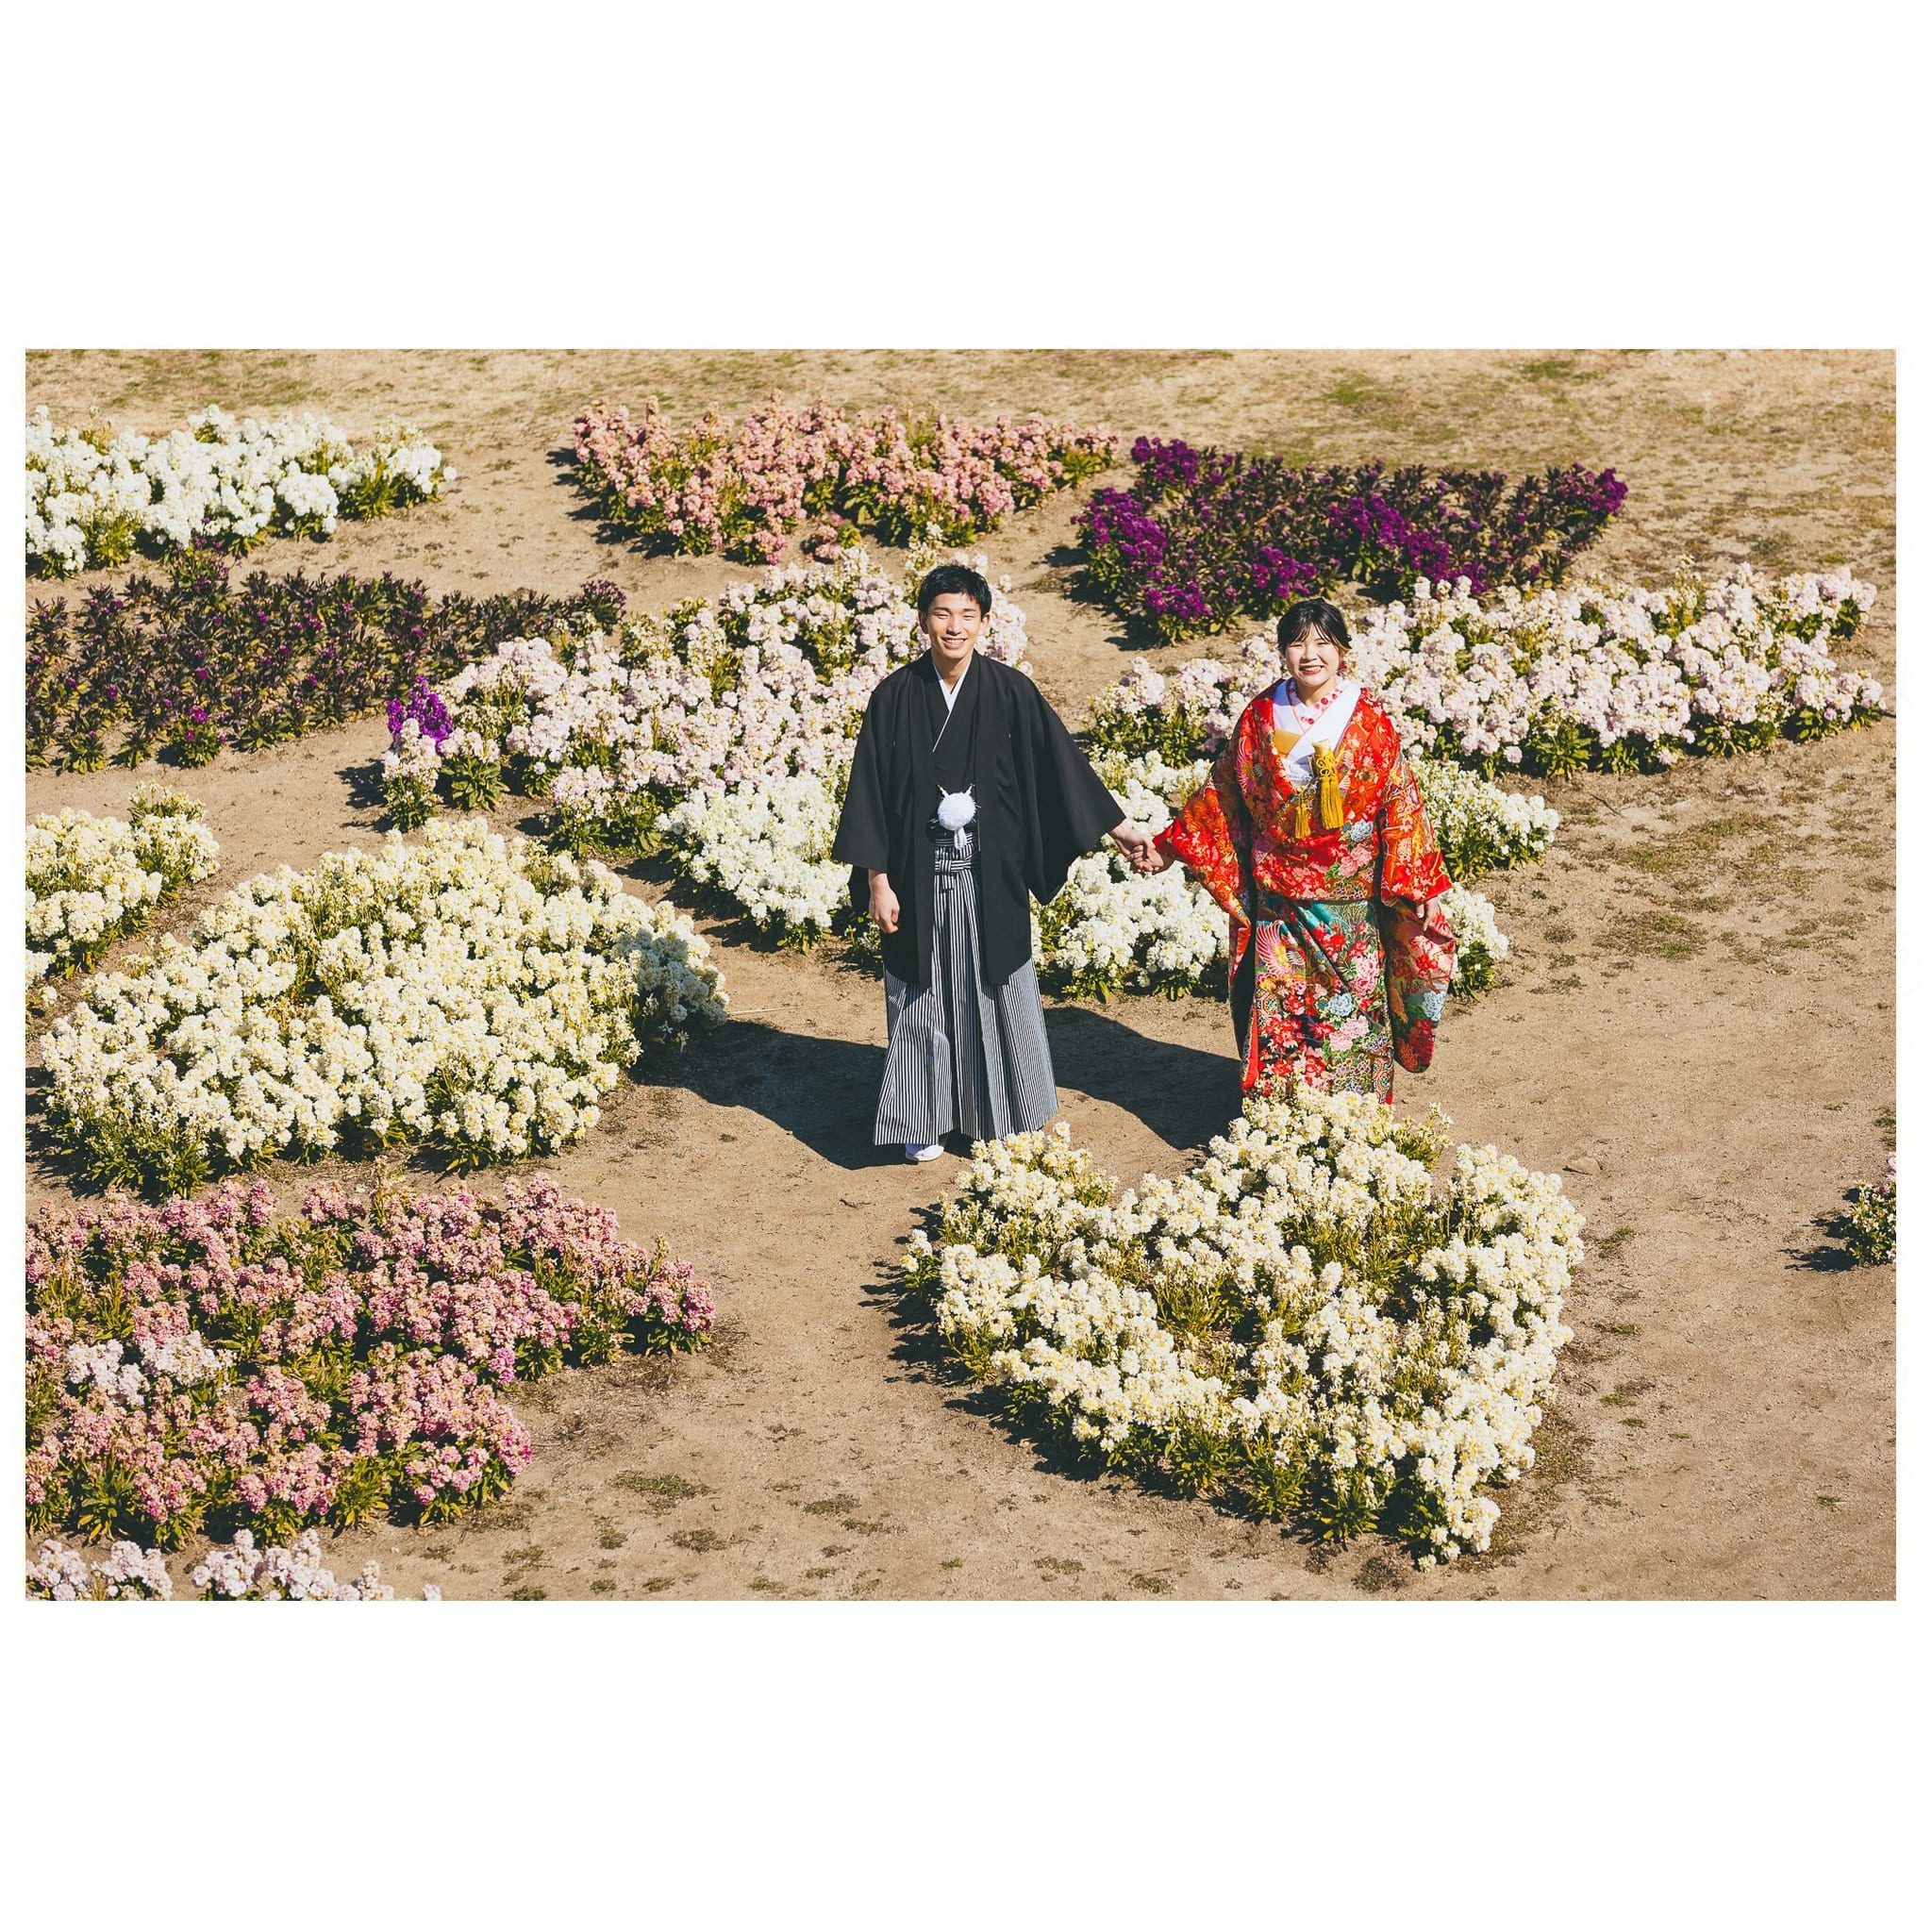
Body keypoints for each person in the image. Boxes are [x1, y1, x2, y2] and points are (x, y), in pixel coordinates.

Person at [833, 564, 1158, 1161]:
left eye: (967, 614)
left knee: (996, 990)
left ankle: (1001, 1113)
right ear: (923, 620)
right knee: (921, 994)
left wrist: (1119, 830)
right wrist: (878, 880)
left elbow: (1062, 767)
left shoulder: (1010, 692)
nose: (954, 626)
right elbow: (870, 794)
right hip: (916, 875)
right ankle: (922, 1119)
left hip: (992, 877)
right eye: (942, 613)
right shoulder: (893, 697)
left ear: (984, 622)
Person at [1141, 596, 1455, 1101]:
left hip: (1347, 899)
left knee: (1354, 1006)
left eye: (1322, 643)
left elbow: (1400, 798)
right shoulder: (1261, 715)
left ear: (1343, 651)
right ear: (1282, 651)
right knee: (1284, 1006)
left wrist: (1421, 883)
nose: (1310, 655)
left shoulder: (1369, 717)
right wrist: (1169, 847)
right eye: (1297, 643)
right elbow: (1222, 791)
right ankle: (1285, 1113)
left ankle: (1356, 1112)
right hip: (1279, 894)